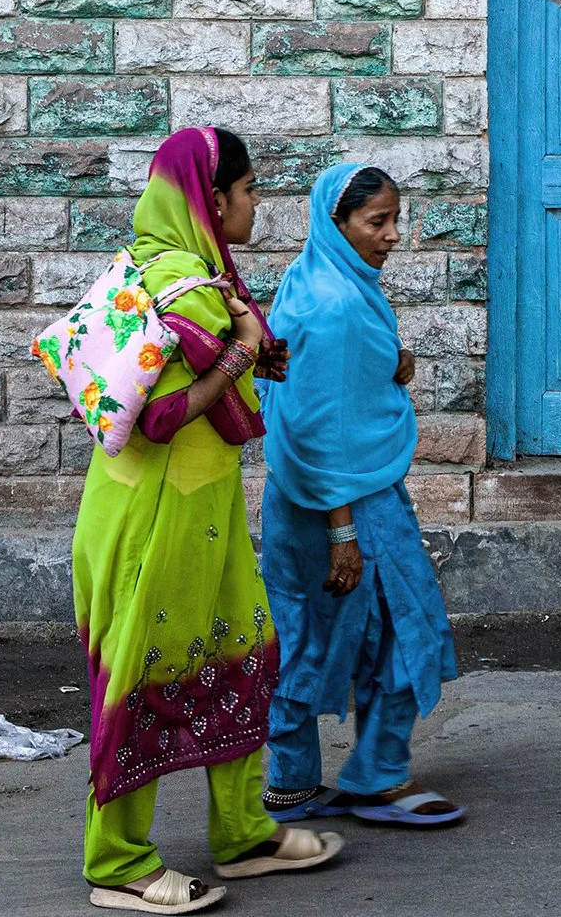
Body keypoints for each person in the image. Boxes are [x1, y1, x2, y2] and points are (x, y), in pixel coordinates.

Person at [72, 126, 343, 914]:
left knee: (242, 654)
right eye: (250, 188)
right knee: (142, 678)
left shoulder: (167, 267)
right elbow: (160, 416)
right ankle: (117, 862)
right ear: (210, 197)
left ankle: (245, 830)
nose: (258, 203)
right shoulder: (187, 285)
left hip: (193, 511)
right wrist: (239, 354)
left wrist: (249, 350)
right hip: (158, 516)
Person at [255, 164, 465, 828]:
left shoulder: (311, 279)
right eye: (377, 222)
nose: (393, 235)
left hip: (297, 499)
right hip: (350, 498)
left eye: (397, 219)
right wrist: (344, 530)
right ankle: (377, 775)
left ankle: (288, 782)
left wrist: (390, 364)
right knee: (406, 626)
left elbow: (311, 388)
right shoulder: (341, 303)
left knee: (304, 632)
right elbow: (322, 429)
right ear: (337, 223)